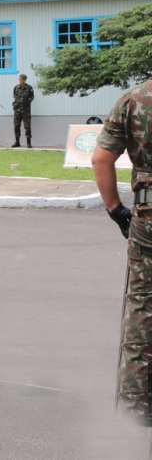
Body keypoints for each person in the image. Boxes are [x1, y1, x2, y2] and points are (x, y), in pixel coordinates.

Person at [92, 63, 152, 425]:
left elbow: (101, 158)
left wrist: (117, 211)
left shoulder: (132, 100)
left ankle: (134, 406)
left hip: (147, 215)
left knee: (142, 307)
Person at [12, 73, 34, 148]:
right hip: (17, 110)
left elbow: (32, 97)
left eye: (21, 79)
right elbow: (15, 97)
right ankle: (17, 142)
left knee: (27, 126)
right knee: (16, 126)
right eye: (19, 79)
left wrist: (27, 103)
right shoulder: (16, 88)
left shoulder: (29, 88)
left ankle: (28, 142)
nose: (20, 80)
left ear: (25, 80)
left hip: (26, 111)